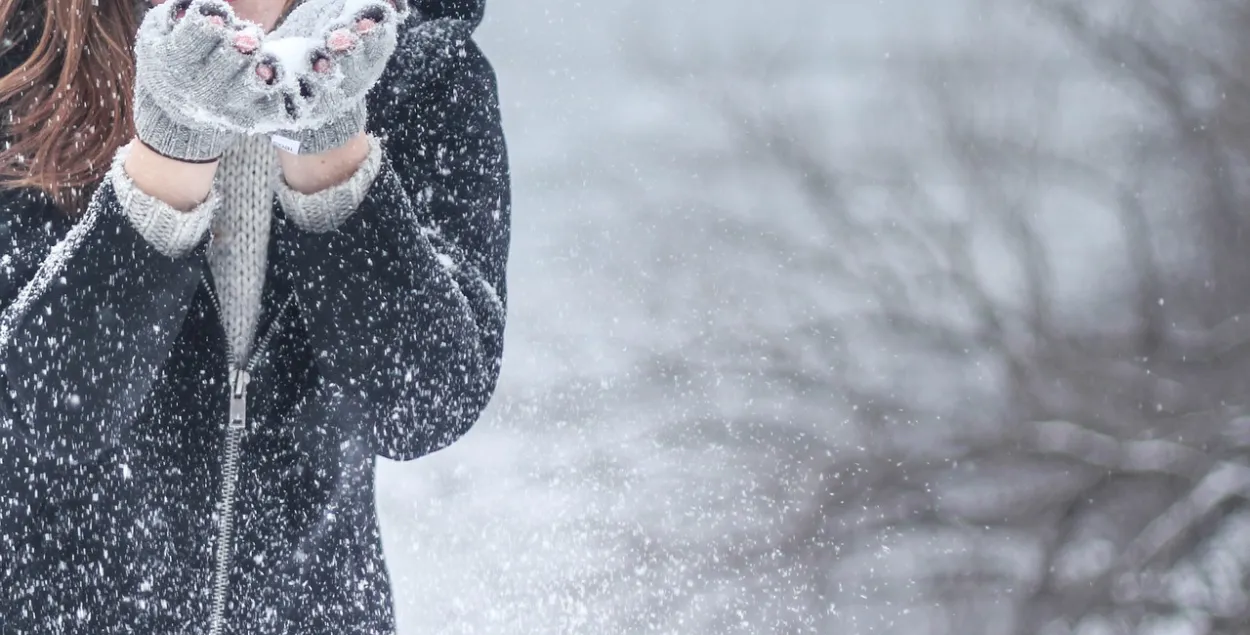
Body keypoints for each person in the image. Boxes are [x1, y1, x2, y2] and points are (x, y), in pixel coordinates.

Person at [0, 0, 509, 631]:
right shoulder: (26, 57)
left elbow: (425, 405)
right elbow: (36, 416)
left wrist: (330, 156)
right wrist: (171, 152)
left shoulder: (421, 67)